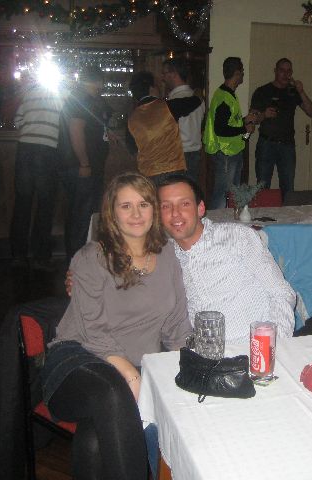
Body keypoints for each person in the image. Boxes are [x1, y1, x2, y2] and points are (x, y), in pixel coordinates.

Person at [42, 172, 191, 480]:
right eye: (126, 206)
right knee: (114, 392)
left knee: (95, 437)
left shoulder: (168, 255)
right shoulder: (91, 257)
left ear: (154, 210)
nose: (136, 214)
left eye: (143, 204)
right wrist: (132, 376)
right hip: (79, 360)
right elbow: (93, 333)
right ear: (112, 213)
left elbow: (177, 325)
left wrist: (188, 366)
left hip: (136, 367)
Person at [158, 174, 296, 343]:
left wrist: (270, 346)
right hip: (205, 353)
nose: (175, 213)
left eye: (184, 204)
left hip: (254, 347)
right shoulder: (166, 256)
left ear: (200, 208)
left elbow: (281, 294)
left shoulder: (236, 237)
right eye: (166, 206)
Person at [9, 79, 64, 271]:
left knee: (22, 204)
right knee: (45, 205)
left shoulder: (29, 95)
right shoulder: (62, 96)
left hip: (25, 150)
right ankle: (40, 257)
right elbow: (65, 126)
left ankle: (18, 256)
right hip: (47, 150)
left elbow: (18, 121)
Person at [60, 66, 112, 260]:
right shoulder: (82, 99)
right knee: (83, 216)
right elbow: (76, 131)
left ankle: (78, 259)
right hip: (82, 167)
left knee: (81, 214)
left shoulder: (81, 99)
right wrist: (84, 163)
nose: (102, 86)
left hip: (83, 166)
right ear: (97, 81)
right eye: (101, 81)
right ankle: (79, 261)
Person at [250, 58, 312, 200]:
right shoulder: (263, 91)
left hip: (287, 146)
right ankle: (262, 212)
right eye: (282, 70)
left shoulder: (293, 92)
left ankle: (288, 213)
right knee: (262, 187)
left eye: (289, 71)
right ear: (275, 71)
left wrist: (301, 91)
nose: (286, 74)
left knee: (288, 188)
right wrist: (264, 115)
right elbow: (251, 119)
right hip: (266, 144)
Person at [127, 71, 201, 186]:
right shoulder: (167, 107)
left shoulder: (132, 119)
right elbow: (195, 102)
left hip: (147, 173)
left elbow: (132, 149)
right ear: (151, 88)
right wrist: (198, 92)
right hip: (172, 170)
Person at [203, 57, 255, 209]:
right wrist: (244, 129)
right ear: (237, 73)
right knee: (222, 193)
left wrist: (245, 120)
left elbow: (230, 122)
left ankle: (229, 220)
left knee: (231, 193)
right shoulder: (224, 98)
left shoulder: (228, 94)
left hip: (232, 151)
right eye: (242, 71)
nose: (243, 74)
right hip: (226, 153)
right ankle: (217, 222)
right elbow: (221, 130)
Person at [162, 59, 206, 183]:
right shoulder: (198, 98)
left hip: (177, 155)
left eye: (164, 73)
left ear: (174, 74)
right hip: (195, 153)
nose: (162, 78)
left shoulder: (172, 102)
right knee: (190, 190)